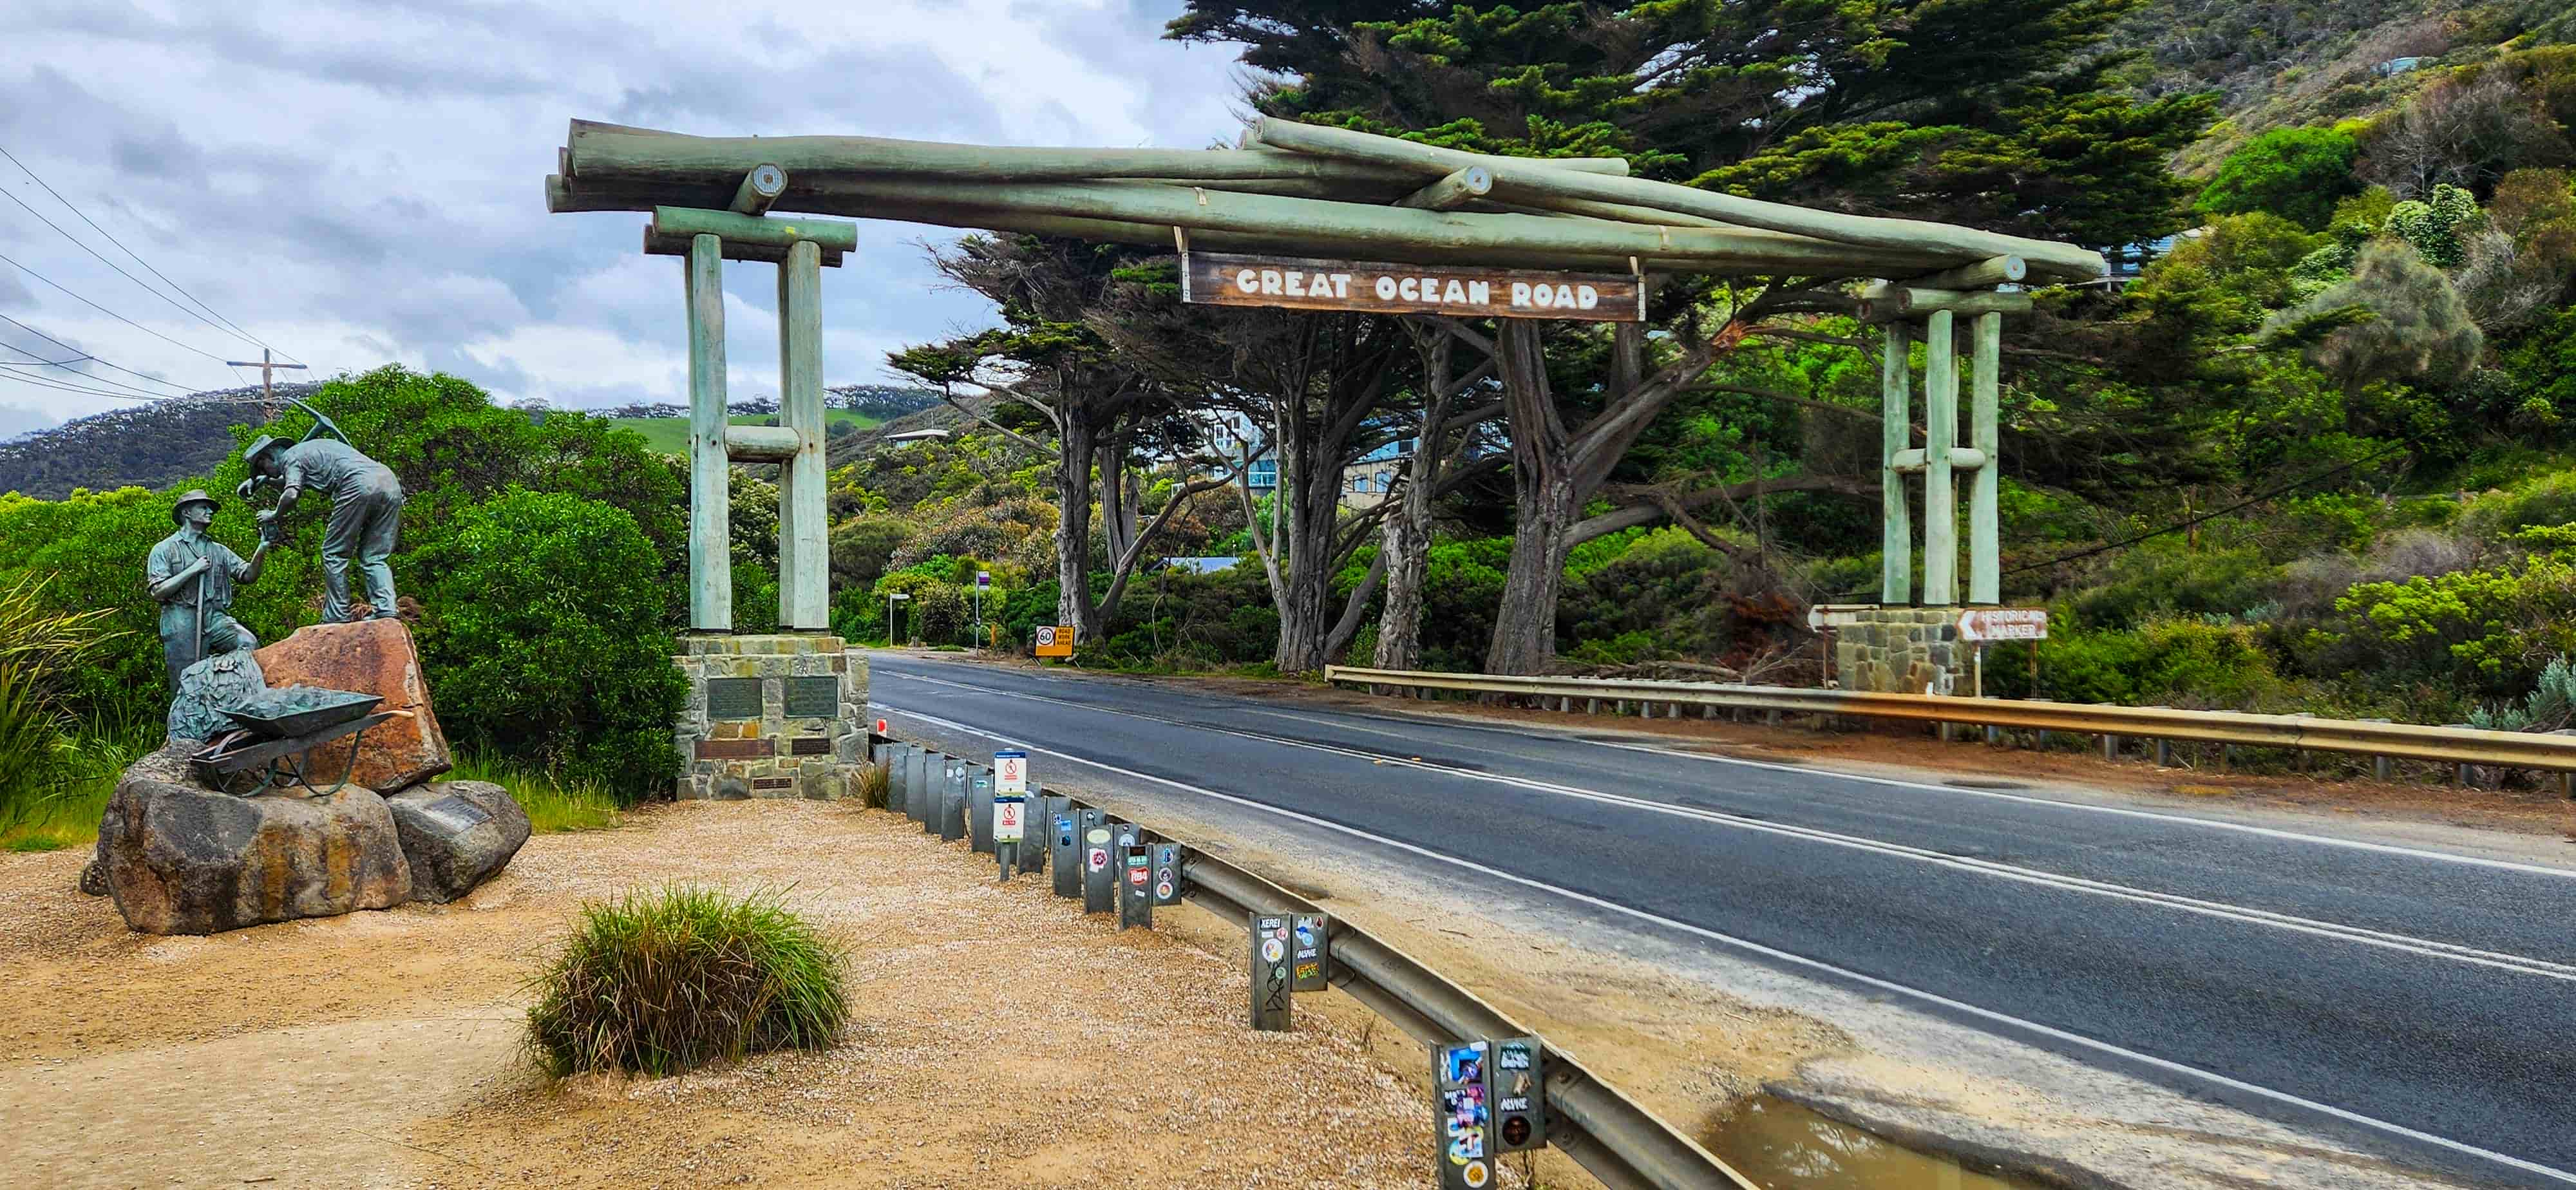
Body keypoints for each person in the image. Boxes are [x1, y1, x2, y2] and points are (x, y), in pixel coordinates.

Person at [238, 434, 404, 623]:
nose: (266, 472)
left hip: (358, 485)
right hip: (389, 483)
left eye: (262, 467)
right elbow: (291, 480)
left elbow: (291, 493)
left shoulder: (289, 459)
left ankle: (337, 615)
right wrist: (264, 481)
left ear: (268, 457)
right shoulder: (311, 449)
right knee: (374, 556)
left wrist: (274, 514)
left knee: (333, 553)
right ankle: (386, 609)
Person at [146, 489, 269, 691]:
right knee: (184, 682)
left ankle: (229, 692)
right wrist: (192, 570)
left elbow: (247, 575)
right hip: (181, 618)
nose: (210, 511)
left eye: (210, 508)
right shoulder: (164, 549)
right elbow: (158, 591)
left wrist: (262, 549)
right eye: (203, 507)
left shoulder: (218, 549)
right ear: (187, 513)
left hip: (215, 617)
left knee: (247, 643)